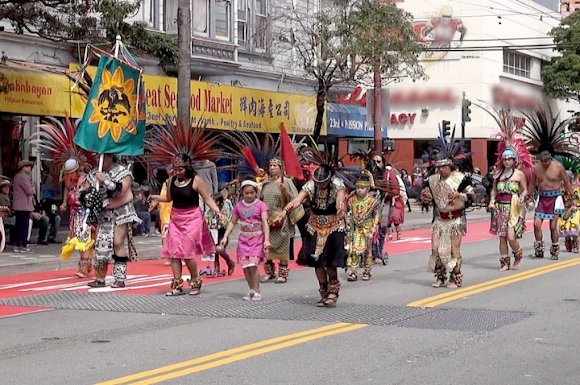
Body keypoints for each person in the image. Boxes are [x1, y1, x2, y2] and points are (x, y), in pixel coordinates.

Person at [275, 164, 347, 307]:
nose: (319, 185)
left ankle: (333, 291)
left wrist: (340, 206)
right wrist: (284, 211)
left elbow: (340, 199)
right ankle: (323, 291)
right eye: (317, 183)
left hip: (333, 225)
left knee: (330, 261)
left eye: (323, 183)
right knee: (317, 262)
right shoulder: (310, 186)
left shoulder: (337, 185)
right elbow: (297, 200)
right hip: (315, 225)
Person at [151, 153, 223, 296]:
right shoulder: (171, 181)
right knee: (174, 253)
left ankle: (195, 280)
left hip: (192, 218)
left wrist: (217, 211)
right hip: (176, 218)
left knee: (187, 253)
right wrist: (155, 198)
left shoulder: (196, 181)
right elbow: (169, 197)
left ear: (188, 167)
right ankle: (177, 284)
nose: (177, 172)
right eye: (175, 169)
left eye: (181, 169)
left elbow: (207, 198)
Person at [86, 154, 141, 288]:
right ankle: (99, 278)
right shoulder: (94, 172)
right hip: (103, 213)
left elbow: (122, 191)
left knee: (118, 243)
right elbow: (86, 190)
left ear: (110, 157)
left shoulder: (122, 171)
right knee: (101, 245)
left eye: (103, 157)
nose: (100, 160)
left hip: (120, 212)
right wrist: (88, 196)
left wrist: (105, 181)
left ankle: (120, 278)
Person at [425, 154, 475, 289]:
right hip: (439, 220)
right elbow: (425, 195)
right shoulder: (432, 180)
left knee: (454, 250)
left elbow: (472, 196)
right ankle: (440, 276)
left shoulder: (460, 179)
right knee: (435, 249)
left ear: (450, 167)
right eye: (439, 167)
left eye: (444, 167)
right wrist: (425, 197)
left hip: (455, 220)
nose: (441, 170)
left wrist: (459, 195)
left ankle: (455, 278)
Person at [221, 179, 270, 300]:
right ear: (242, 193)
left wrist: (267, 240)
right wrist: (225, 236)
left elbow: (265, 222)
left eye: (252, 193)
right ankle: (251, 290)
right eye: (246, 193)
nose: (249, 195)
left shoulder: (261, 205)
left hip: (257, 238)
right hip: (243, 239)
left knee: (253, 265)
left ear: (256, 192)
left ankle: (257, 290)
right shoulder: (238, 206)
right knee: (246, 266)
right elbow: (232, 222)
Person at [260, 158, 299, 284]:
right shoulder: (266, 182)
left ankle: (282, 274)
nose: (272, 168)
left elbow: (294, 200)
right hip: (267, 220)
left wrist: (285, 191)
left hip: (282, 219)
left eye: (275, 165)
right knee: (266, 247)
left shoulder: (286, 182)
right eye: (270, 165)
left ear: (281, 168)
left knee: (283, 247)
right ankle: (269, 273)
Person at [489, 148, 529, 271]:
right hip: (500, 208)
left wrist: (522, 197)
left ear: (514, 160)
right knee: (502, 236)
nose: (507, 161)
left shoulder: (519, 174)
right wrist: (491, 201)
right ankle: (504, 263)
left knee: (511, 237)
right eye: (505, 159)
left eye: (509, 159)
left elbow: (525, 190)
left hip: (513, 208)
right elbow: (494, 190)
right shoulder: (498, 174)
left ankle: (518, 254)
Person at [530, 148, 573, 260]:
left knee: (553, 226)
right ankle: (539, 250)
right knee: (536, 224)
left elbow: (567, 183)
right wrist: (528, 196)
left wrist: (572, 198)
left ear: (550, 158)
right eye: (542, 161)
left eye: (546, 161)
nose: (544, 163)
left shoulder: (558, 167)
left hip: (555, 199)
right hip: (542, 198)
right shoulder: (536, 168)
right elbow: (532, 183)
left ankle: (554, 251)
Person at [59, 158, 95, 278]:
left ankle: (84, 267)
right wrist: (64, 202)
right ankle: (87, 264)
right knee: (76, 240)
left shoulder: (85, 179)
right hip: (74, 213)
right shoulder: (68, 180)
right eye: (68, 173)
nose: (69, 175)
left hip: (85, 213)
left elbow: (91, 194)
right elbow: (66, 190)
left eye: (71, 172)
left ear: (77, 170)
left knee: (83, 239)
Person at [346, 174, 380, 281]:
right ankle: (353, 271)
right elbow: (348, 212)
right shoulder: (351, 200)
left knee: (367, 250)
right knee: (353, 250)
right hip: (355, 227)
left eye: (362, 188)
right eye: (357, 187)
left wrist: (374, 226)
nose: (359, 190)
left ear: (367, 188)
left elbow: (377, 214)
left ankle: (367, 271)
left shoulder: (372, 201)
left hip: (367, 227)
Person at [371, 154, 399, 265]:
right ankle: (368, 253)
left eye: (378, 162)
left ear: (383, 163)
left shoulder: (389, 175)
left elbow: (396, 190)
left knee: (381, 230)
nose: (376, 164)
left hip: (384, 204)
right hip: (368, 205)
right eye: (374, 162)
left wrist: (385, 193)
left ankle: (378, 253)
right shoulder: (368, 174)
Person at [205, 190, 235, 276]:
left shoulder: (225, 209)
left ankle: (230, 262)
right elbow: (206, 220)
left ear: (217, 203)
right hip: (212, 232)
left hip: (222, 232)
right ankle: (216, 267)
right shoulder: (209, 211)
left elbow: (227, 222)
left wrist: (219, 218)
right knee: (213, 250)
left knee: (220, 249)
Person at [11, 160, 35, 253]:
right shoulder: (22, 177)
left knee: (19, 225)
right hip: (23, 205)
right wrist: (33, 188)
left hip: (20, 205)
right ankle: (22, 245)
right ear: (23, 167)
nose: (29, 168)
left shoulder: (18, 176)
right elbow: (30, 190)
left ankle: (18, 244)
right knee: (23, 226)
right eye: (28, 166)